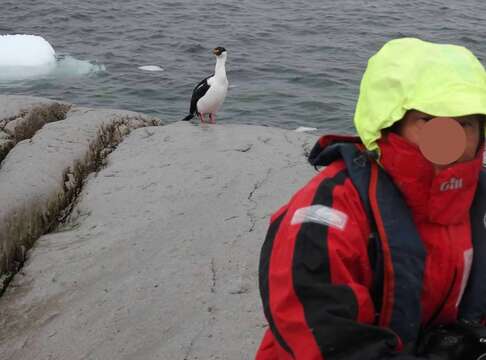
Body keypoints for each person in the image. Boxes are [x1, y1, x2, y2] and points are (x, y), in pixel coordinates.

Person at [256, 38, 486, 359]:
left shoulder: (479, 201)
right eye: (431, 121)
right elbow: (320, 329)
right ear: (390, 123)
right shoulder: (325, 211)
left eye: (466, 123)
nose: (452, 139)